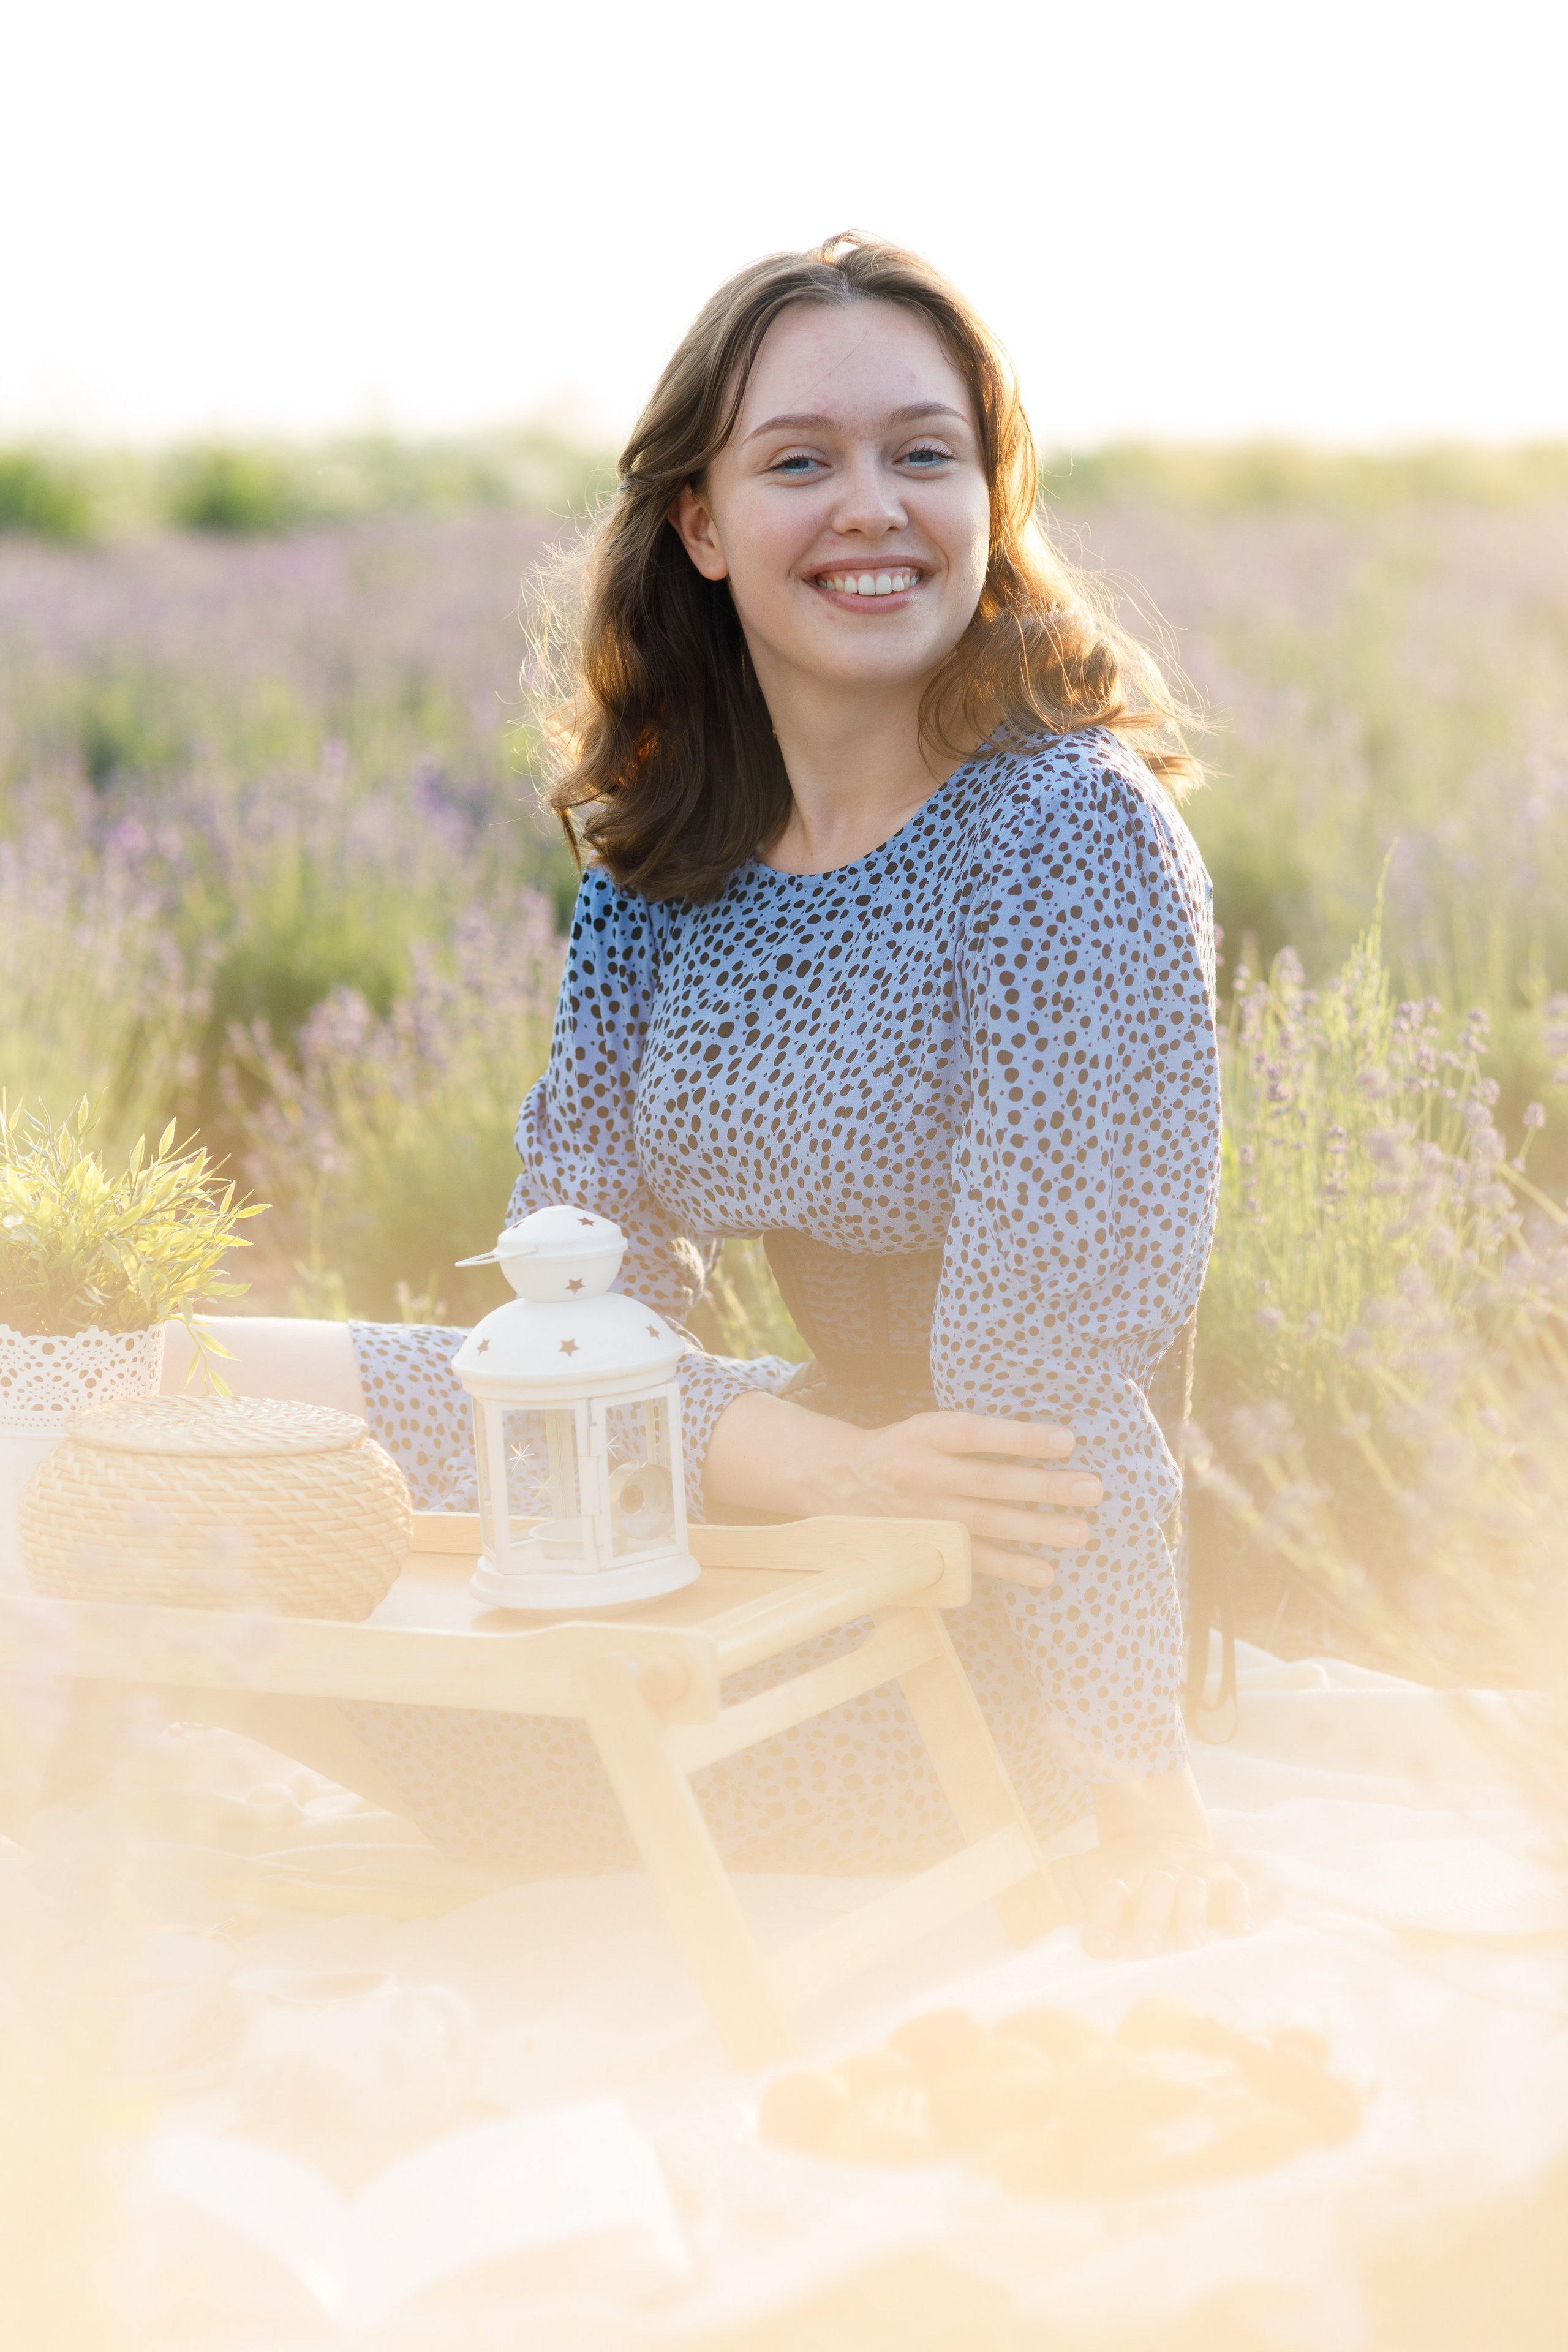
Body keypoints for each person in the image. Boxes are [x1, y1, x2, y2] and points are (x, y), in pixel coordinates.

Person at [166, 233, 1250, 1956]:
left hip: (966, 1620)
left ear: (991, 492)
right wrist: (773, 1459)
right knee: (159, 1382)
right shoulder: (670, 857)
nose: (873, 507)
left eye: (925, 452)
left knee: (312, 1592)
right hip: (744, 1489)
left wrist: (1143, 1796)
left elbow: (1042, 1407)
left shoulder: (1067, 835)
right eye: (799, 462)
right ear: (701, 523)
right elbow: (564, 1263)